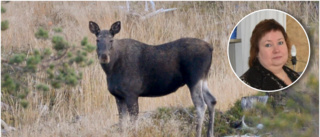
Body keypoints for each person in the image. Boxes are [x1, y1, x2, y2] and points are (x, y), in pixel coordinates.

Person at [240, 19, 300, 91]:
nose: (277, 50)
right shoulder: (248, 83)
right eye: (268, 45)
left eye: (280, 43)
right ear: (256, 51)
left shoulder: (294, 75)